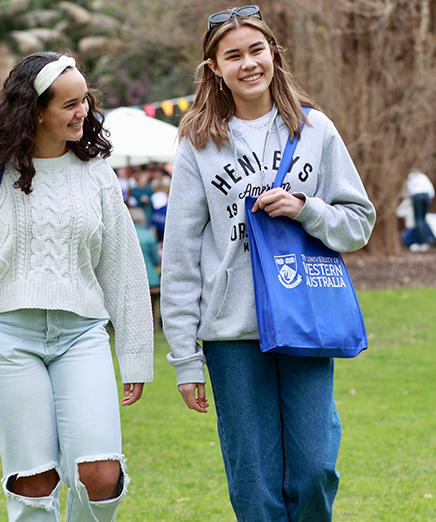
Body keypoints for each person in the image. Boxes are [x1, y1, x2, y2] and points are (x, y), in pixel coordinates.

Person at [161, 6, 376, 521]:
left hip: (305, 317)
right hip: (232, 333)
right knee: (253, 481)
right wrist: (185, 358)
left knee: (315, 468)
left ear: (273, 54)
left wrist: (308, 209)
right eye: (232, 55)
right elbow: (181, 256)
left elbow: (359, 222)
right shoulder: (198, 141)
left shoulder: (315, 129)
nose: (248, 63)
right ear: (214, 67)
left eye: (256, 50)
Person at [0, 52, 153, 521]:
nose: (82, 112)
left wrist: (134, 353)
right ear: (35, 110)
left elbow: (124, 268)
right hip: (3, 338)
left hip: (81, 336)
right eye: (69, 104)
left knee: (102, 476)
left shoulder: (97, 175)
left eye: (85, 100)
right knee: (34, 481)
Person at [406, 170, 435, 252]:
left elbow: (408, 190)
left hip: (417, 196)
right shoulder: (423, 176)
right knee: (423, 218)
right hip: (427, 196)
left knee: (419, 219)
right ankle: (425, 241)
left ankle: (421, 243)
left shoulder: (411, 177)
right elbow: (431, 189)